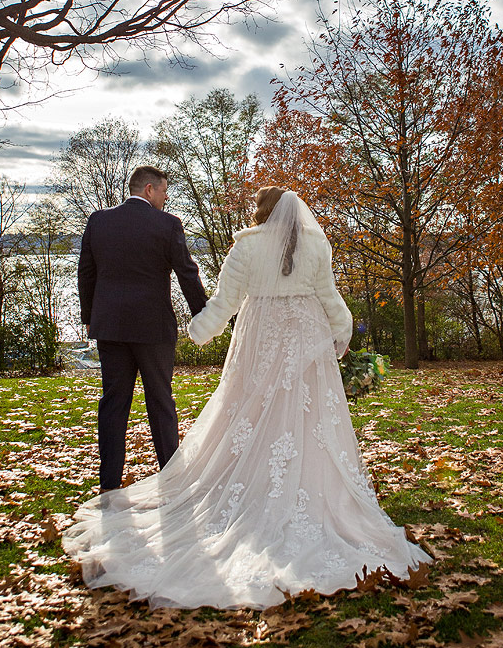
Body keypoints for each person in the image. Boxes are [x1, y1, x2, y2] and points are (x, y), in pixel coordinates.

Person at [63, 186, 431, 609]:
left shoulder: (246, 247)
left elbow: (225, 302)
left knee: (252, 409)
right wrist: (342, 333)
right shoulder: (316, 243)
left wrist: (198, 331)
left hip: (262, 339)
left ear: (261, 213)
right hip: (306, 338)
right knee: (307, 420)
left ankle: (250, 492)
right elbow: (330, 298)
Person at [77, 165, 208, 490]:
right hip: (153, 328)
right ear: (149, 189)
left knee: (113, 402)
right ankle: (171, 478)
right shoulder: (167, 225)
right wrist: (203, 316)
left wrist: (90, 317)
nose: (166, 198)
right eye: (164, 191)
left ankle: (108, 483)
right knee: (161, 401)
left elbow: (86, 272)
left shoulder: (99, 221)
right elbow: (187, 274)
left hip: (111, 328)